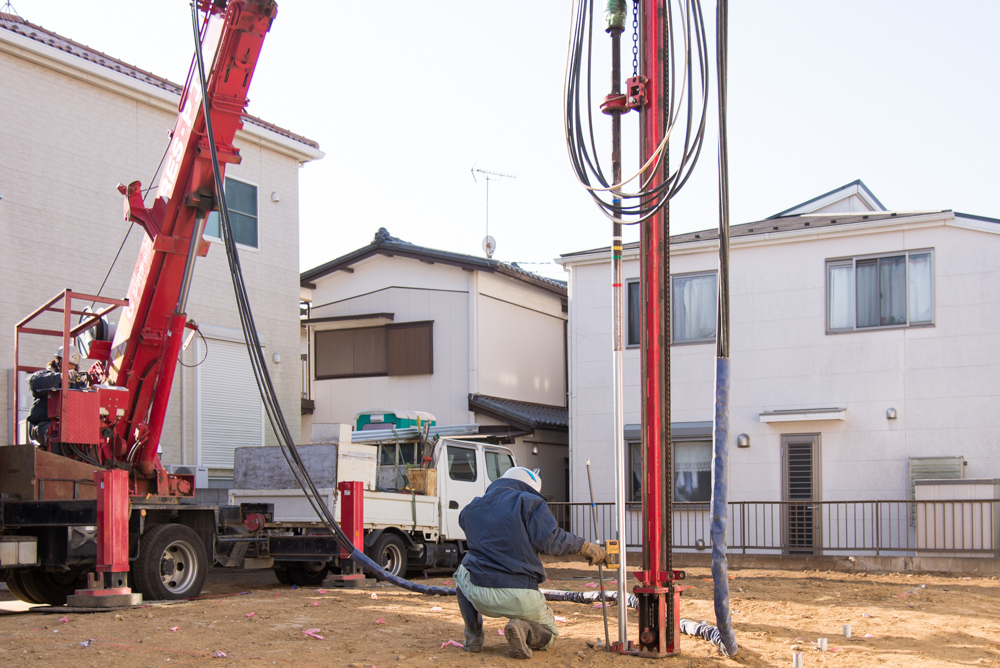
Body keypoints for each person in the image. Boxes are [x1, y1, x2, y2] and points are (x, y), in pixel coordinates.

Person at [456, 466, 608, 659]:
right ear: (530, 487)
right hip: (522, 596)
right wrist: (584, 546)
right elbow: (550, 541)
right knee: (550, 634)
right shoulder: (530, 502)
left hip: (478, 594)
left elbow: (468, 526)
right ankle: (525, 629)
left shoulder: (472, 507)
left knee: (462, 571)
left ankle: (473, 639)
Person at [27, 346, 87, 449]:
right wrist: (60, 377)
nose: (70, 368)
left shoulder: (77, 383)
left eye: (73, 365)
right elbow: (35, 383)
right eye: (68, 364)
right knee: (56, 435)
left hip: (67, 426)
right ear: (58, 361)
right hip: (42, 425)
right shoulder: (45, 376)